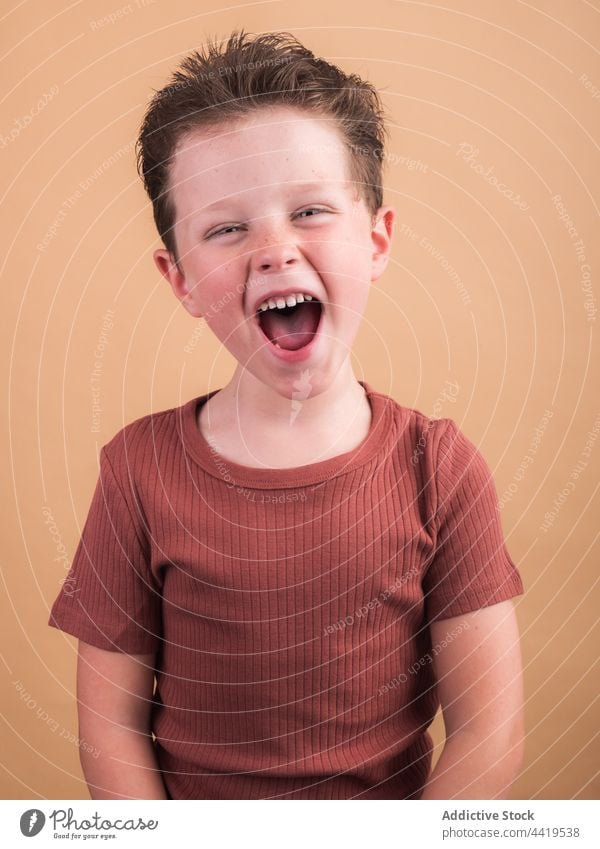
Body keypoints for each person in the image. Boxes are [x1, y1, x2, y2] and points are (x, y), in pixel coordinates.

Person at [48, 30, 525, 801]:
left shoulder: (440, 468)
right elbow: (110, 727)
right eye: (227, 228)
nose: (274, 250)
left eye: (308, 210)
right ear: (181, 279)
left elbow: (487, 729)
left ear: (376, 240)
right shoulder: (138, 468)